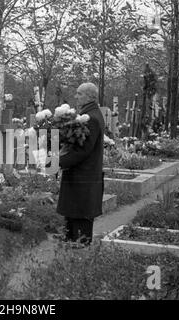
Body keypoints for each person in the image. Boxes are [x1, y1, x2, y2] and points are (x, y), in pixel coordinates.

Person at [57, 83, 105, 246]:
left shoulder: (91, 117)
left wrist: (59, 162)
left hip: (83, 175)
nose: (76, 96)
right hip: (81, 175)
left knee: (80, 215)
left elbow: (83, 150)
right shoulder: (89, 113)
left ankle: (78, 248)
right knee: (74, 213)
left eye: (79, 94)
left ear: (89, 96)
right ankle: (70, 241)